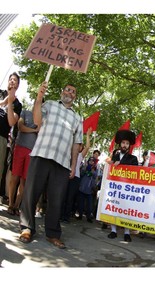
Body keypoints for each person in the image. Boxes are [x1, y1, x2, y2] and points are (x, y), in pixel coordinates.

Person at [19, 81, 83, 250]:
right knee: (31, 192)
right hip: (41, 153)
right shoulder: (50, 104)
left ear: (75, 97)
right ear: (63, 91)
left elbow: (76, 144)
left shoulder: (77, 118)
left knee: (56, 199)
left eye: (73, 91)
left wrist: (73, 165)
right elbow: (36, 120)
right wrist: (39, 99)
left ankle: (53, 234)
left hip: (62, 162)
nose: (69, 93)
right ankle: (27, 228)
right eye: (68, 89)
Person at [106, 129, 138, 242]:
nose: (125, 145)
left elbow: (135, 171)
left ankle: (127, 232)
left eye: (127, 143)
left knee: (127, 209)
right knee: (114, 207)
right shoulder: (114, 156)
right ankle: (113, 231)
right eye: (123, 143)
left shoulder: (133, 158)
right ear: (120, 144)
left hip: (127, 188)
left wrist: (121, 164)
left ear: (129, 145)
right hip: (115, 188)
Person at [7, 108, 39, 216]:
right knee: (14, 176)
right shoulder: (25, 112)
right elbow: (20, 126)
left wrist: (29, 128)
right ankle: (10, 204)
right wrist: (34, 130)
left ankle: (16, 206)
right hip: (20, 146)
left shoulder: (42, 118)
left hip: (32, 152)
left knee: (24, 181)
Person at [61, 127, 92, 223]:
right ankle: (59, 215)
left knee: (70, 198)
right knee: (62, 196)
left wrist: (87, 135)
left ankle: (66, 217)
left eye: (80, 145)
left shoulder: (80, 155)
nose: (79, 146)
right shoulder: (67, 152)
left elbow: (87, 147)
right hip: (65, 176)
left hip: (75, 178)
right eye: (77, 144)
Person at [0, 73, 22, 199]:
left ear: (18, 85)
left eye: (15, 80)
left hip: (2, 138)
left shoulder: (18, 104)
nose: (12, 81)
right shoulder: (0, 93)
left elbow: (11, 122)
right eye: (11, 79)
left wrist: (10, 104)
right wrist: (4, 101)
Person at [77, 156, 97, 223]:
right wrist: (85, 168)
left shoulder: (95, 169)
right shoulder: (85, 167)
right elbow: (82, 173)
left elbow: (95, 176)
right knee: (81, 203)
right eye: (90, 160)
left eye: (92, 161)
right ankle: (80, 215)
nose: (91, 162)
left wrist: (92, 170)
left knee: (89, 205)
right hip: (82, 188)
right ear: (88, 161)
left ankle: (88, 217)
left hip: (90, 190)